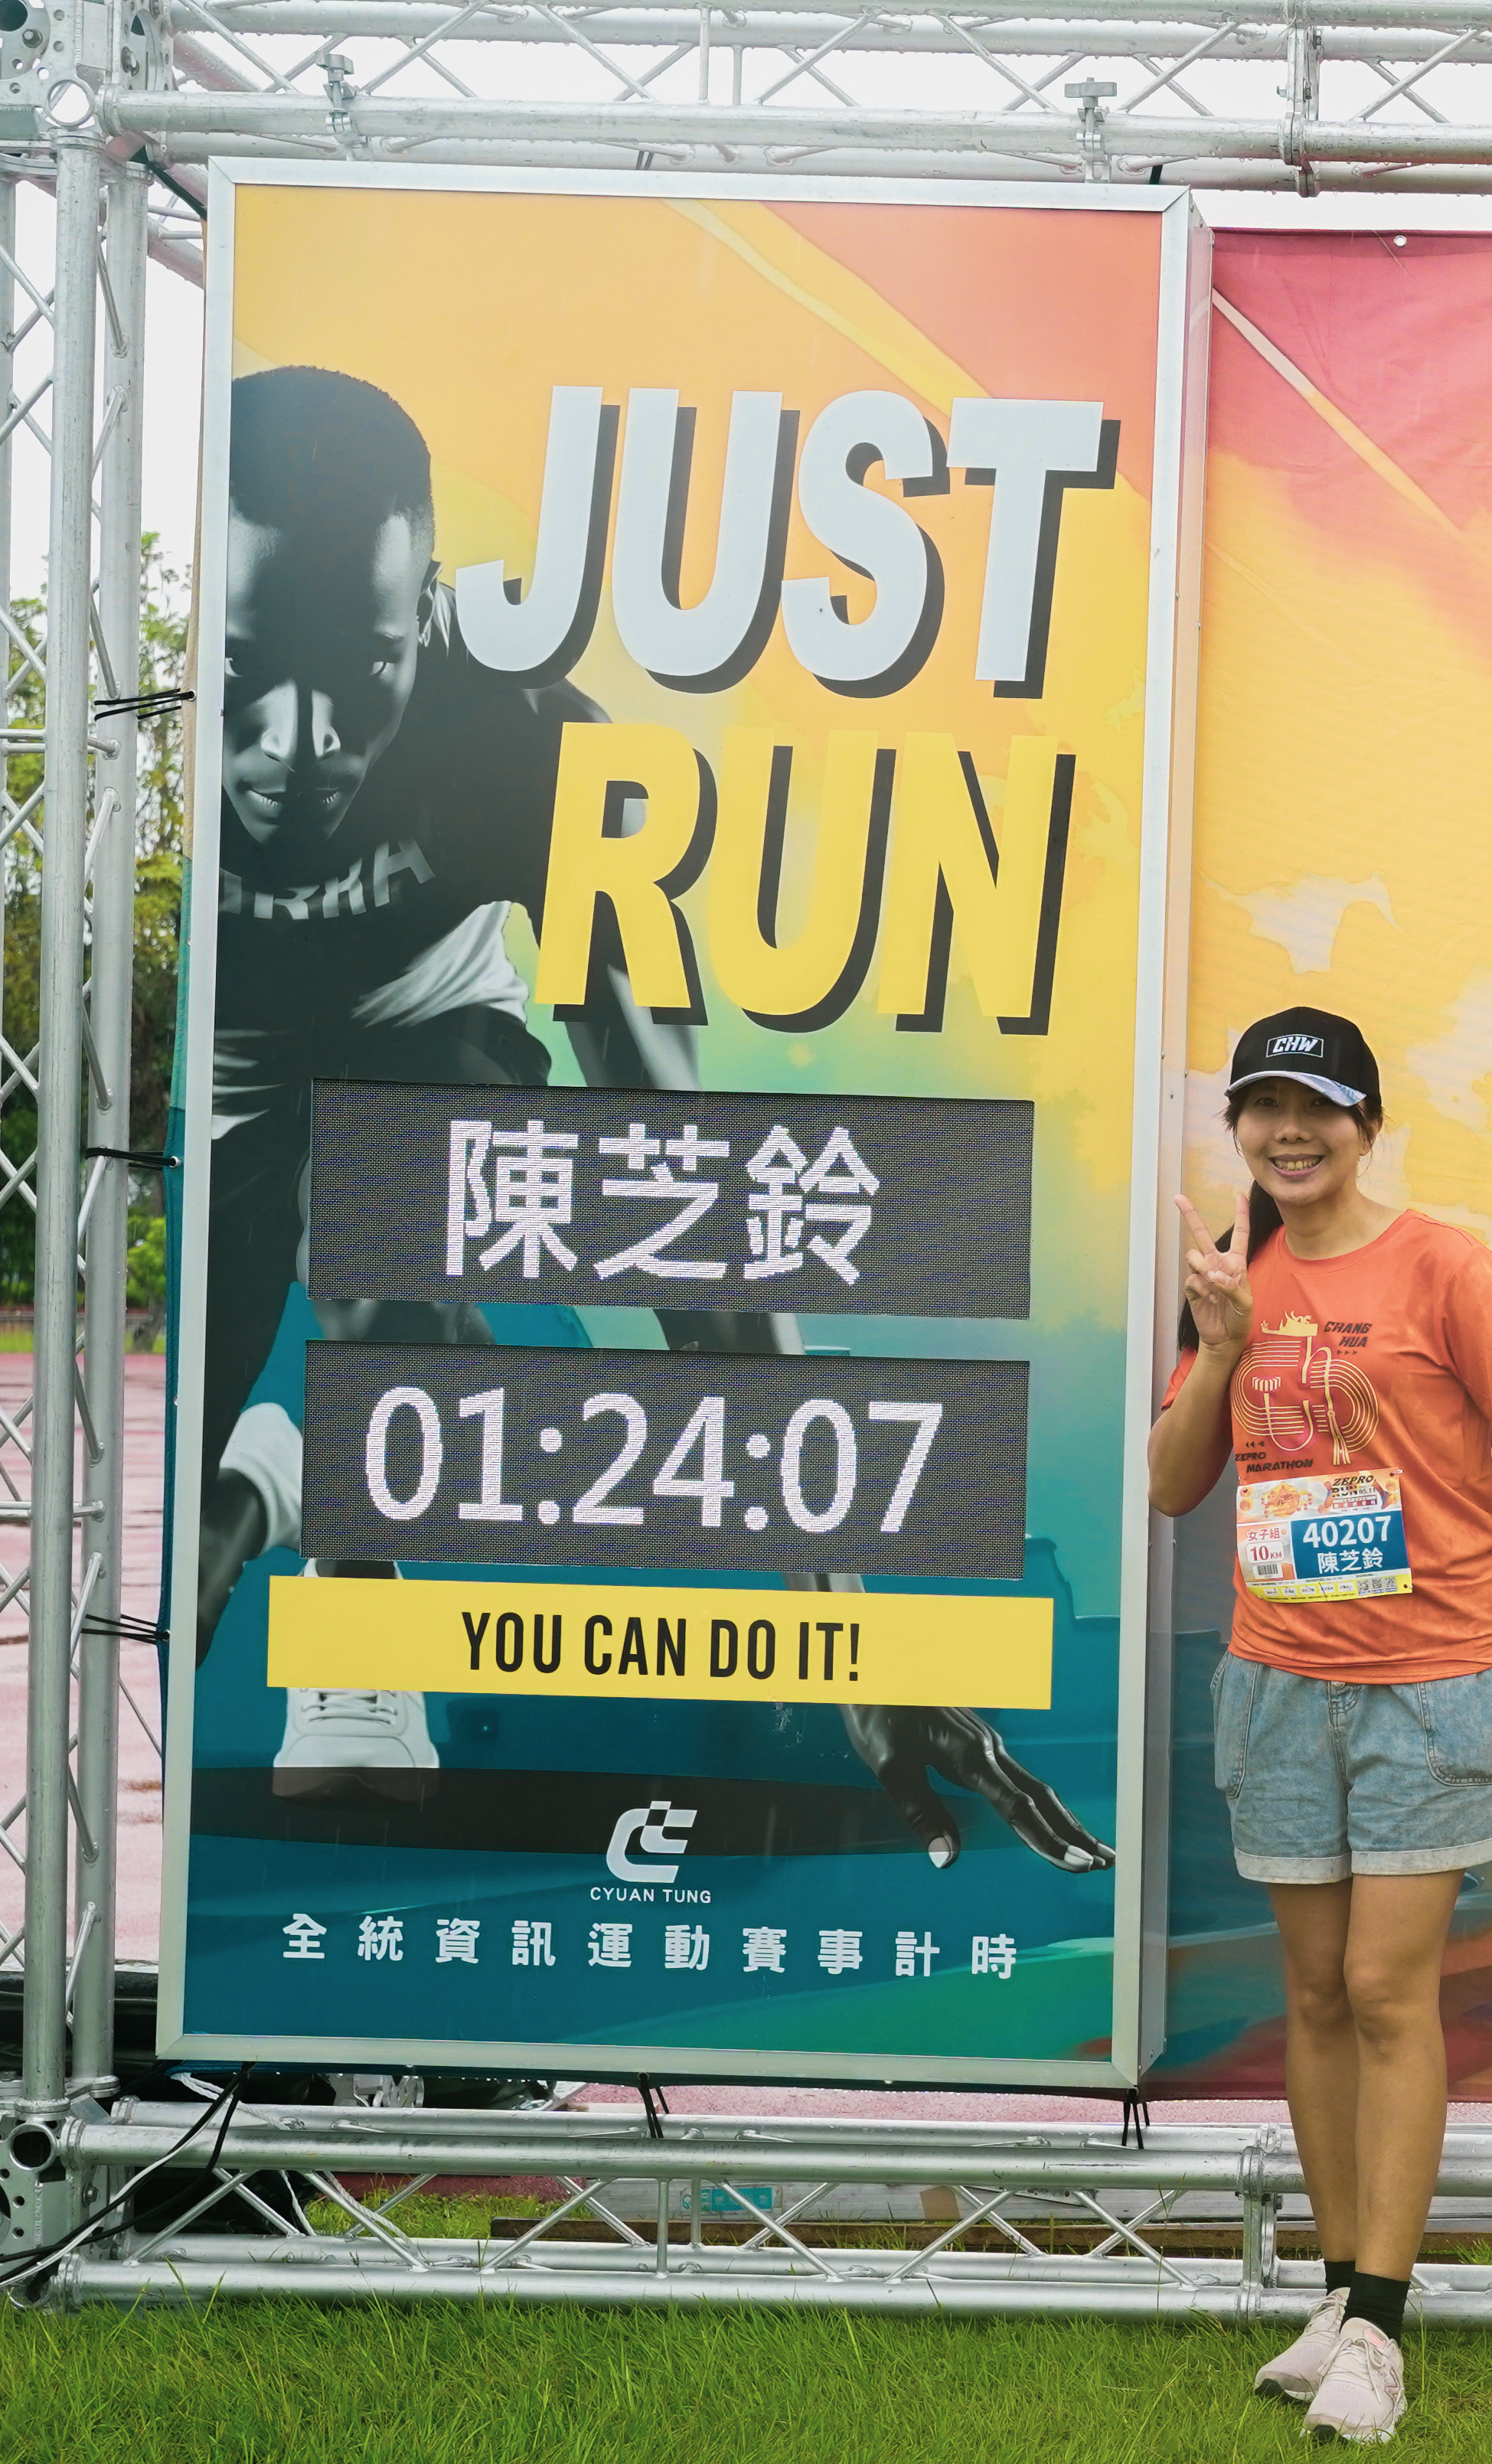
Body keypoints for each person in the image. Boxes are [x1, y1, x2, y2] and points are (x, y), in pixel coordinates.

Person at [188, 367, 1096, 1869]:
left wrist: (848, 1635)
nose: (292, 742)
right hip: (227, 1074)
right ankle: (280, 1475)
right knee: (189, 1535)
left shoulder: (528, 741)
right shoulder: (145, 770)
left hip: (424, 1027)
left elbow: (684, 1181)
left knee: (391, 1210)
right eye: (242, 674)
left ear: (429, 614)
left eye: (358, 668)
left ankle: (355, 1585)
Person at [1150, 1005, 1492, 2446]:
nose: (1290, 1133)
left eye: (1318, 1108)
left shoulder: (1445, 1266)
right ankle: (1338, 2298)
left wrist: (1434, 1536)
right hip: (1282, 1678)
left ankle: (1383, 2331)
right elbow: (1171, 1483)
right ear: (1239, 1128)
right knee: (1318, 1995)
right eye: (1263, 1108)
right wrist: (1221, 1346)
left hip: (1431, 1679)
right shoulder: (1235, 1280)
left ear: (1367, 1124)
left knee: (1389, 1989)